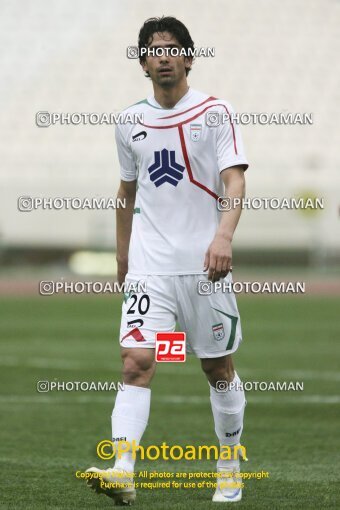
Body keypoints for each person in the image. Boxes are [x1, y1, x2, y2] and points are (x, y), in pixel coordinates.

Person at [86, 16, 248, 505]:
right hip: (148, 268)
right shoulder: (128, 121)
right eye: (154, 50)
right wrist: (122, 255)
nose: (163, 56)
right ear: (142, 62)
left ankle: (228, 467)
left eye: (172, 48)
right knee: (136, 362)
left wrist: (223, 236)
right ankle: (122, 469)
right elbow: (125, 192)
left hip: (205, 267)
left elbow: (235, 181)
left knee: (217, 368)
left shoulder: (216, 112)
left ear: (189, 57)